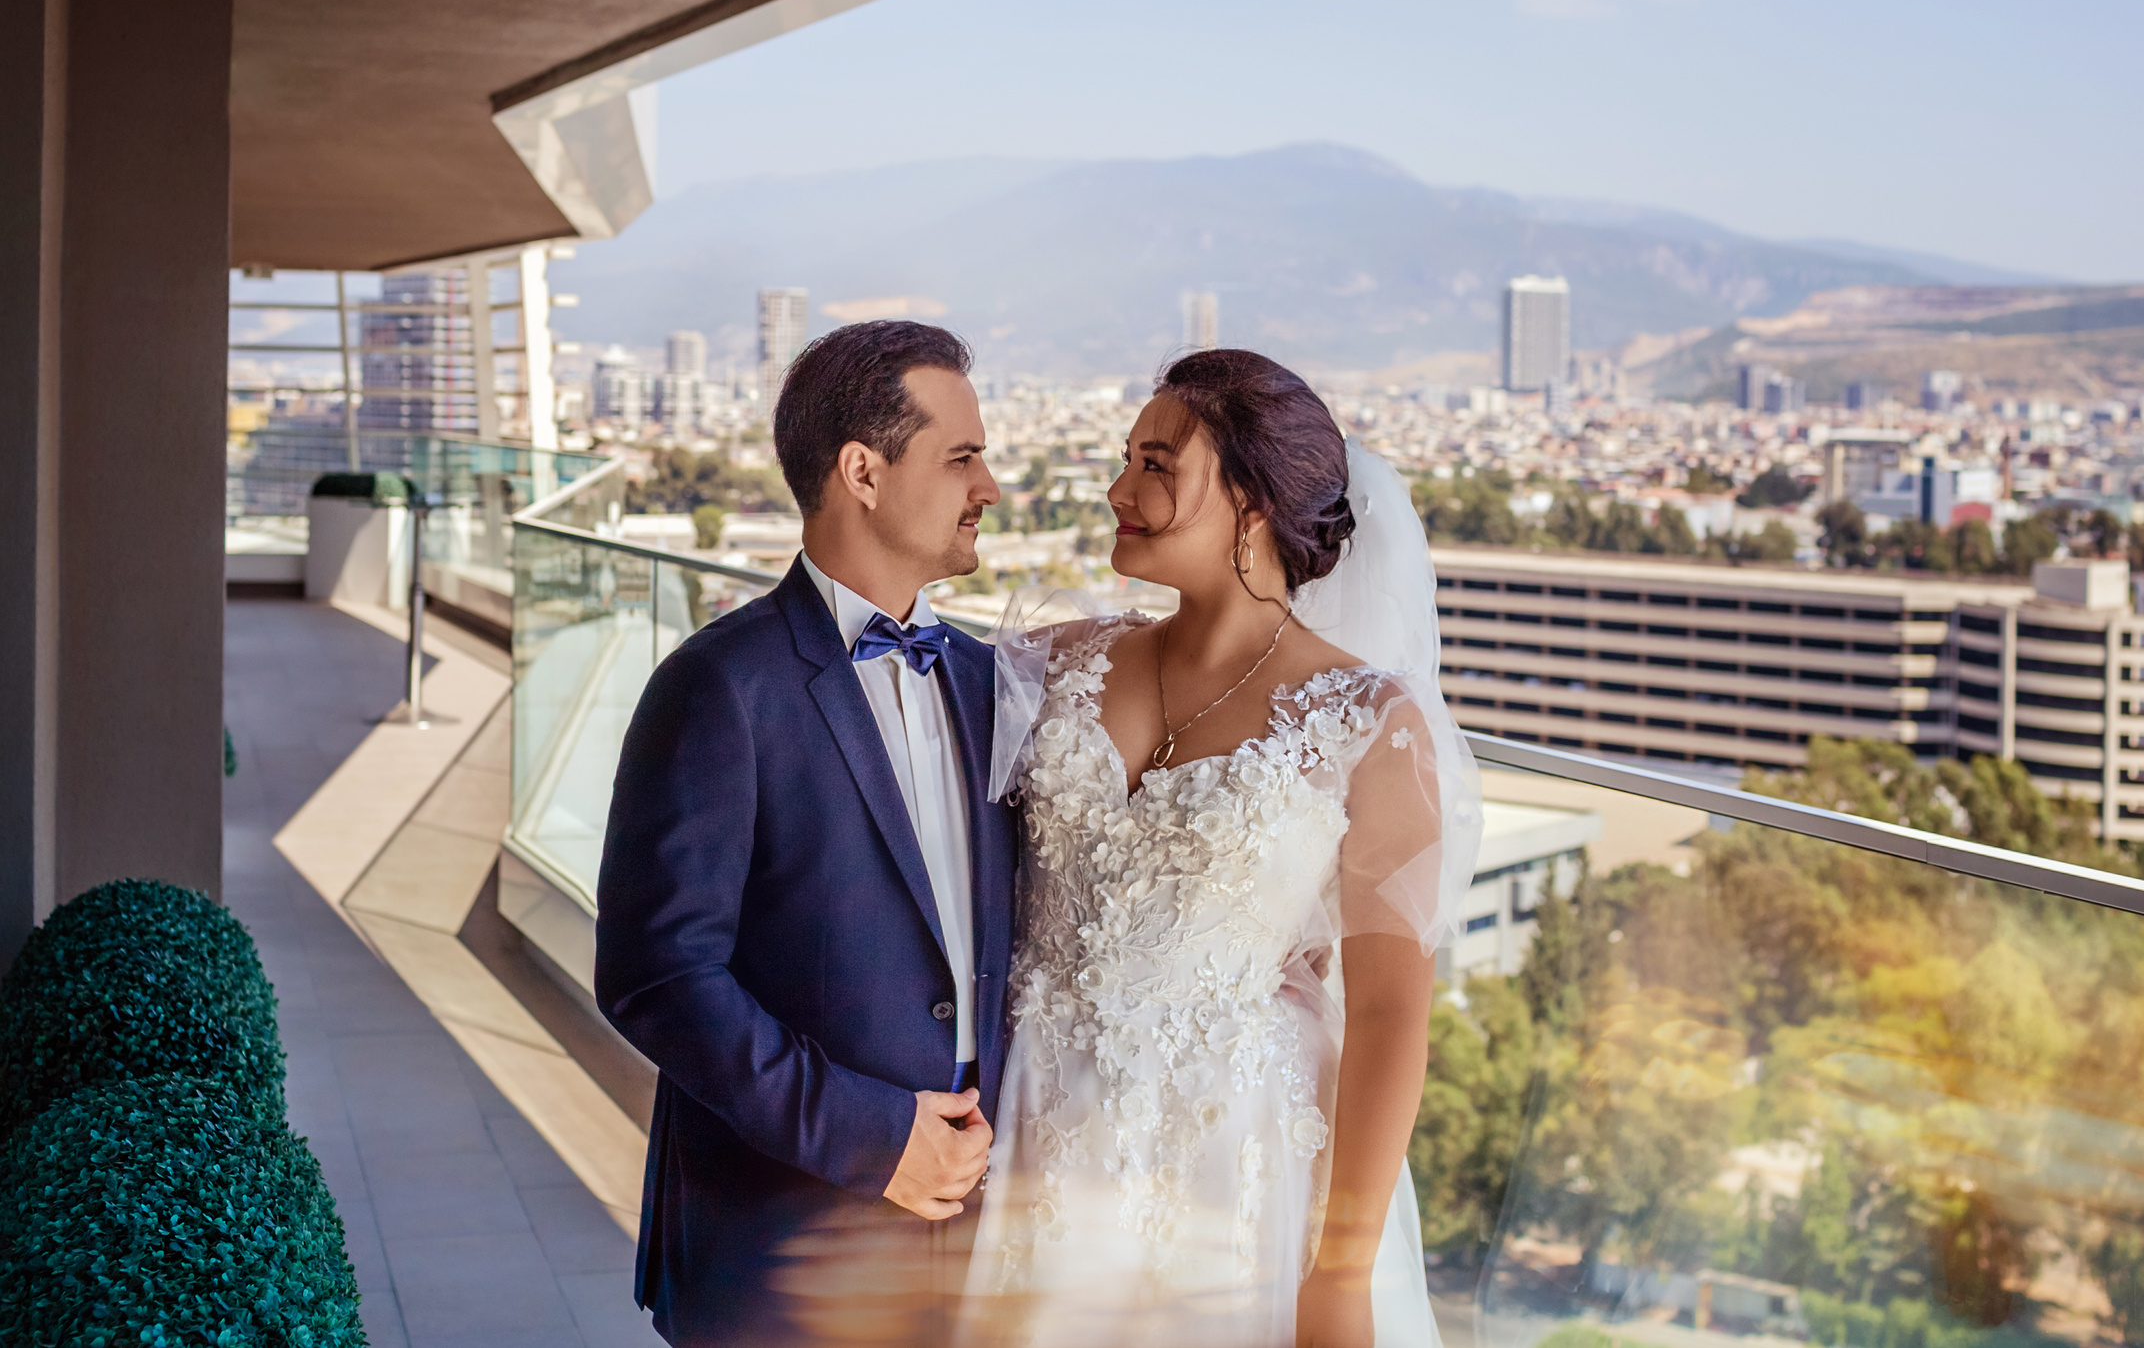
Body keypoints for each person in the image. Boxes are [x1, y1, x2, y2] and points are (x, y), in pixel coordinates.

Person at [963, 349, 1483, 1347]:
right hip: (1025, 1124)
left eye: (1157, 465)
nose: (1118, 488)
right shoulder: (1048, 663)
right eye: (1127, 458)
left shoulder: (1370, 723)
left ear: (1251, 502)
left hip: (1228, 1160)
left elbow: (1384, 1014)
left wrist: (1340, 1273)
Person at [595, 321, 1019, 1346]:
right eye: (962, 456)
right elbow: (658, 977)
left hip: (976, 1242)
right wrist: (874, 1140)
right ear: (863, 472)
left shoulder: (991, 683)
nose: (991, 486)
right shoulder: (714, 688)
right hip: (780, 1247)